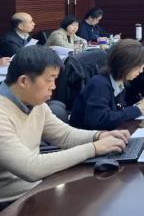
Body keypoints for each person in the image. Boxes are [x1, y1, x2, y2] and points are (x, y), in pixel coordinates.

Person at [0, 46, 129, 208]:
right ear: (24, 81)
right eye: (49, 80)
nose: (54, 87)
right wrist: (94, 148)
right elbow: (30, 168)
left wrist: (99, 136)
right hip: (10, 203)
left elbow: (64, 135)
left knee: (103, 199)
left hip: (37, 189)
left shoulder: (35, 102)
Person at [70, 39, 144, 130]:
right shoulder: (99, 85)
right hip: (89, 135)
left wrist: (138, 107)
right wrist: (136, 110)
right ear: (125, 65)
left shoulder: (119, 81)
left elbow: (117, 110)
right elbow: (98, 120)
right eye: (138, 68)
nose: (141, 71)